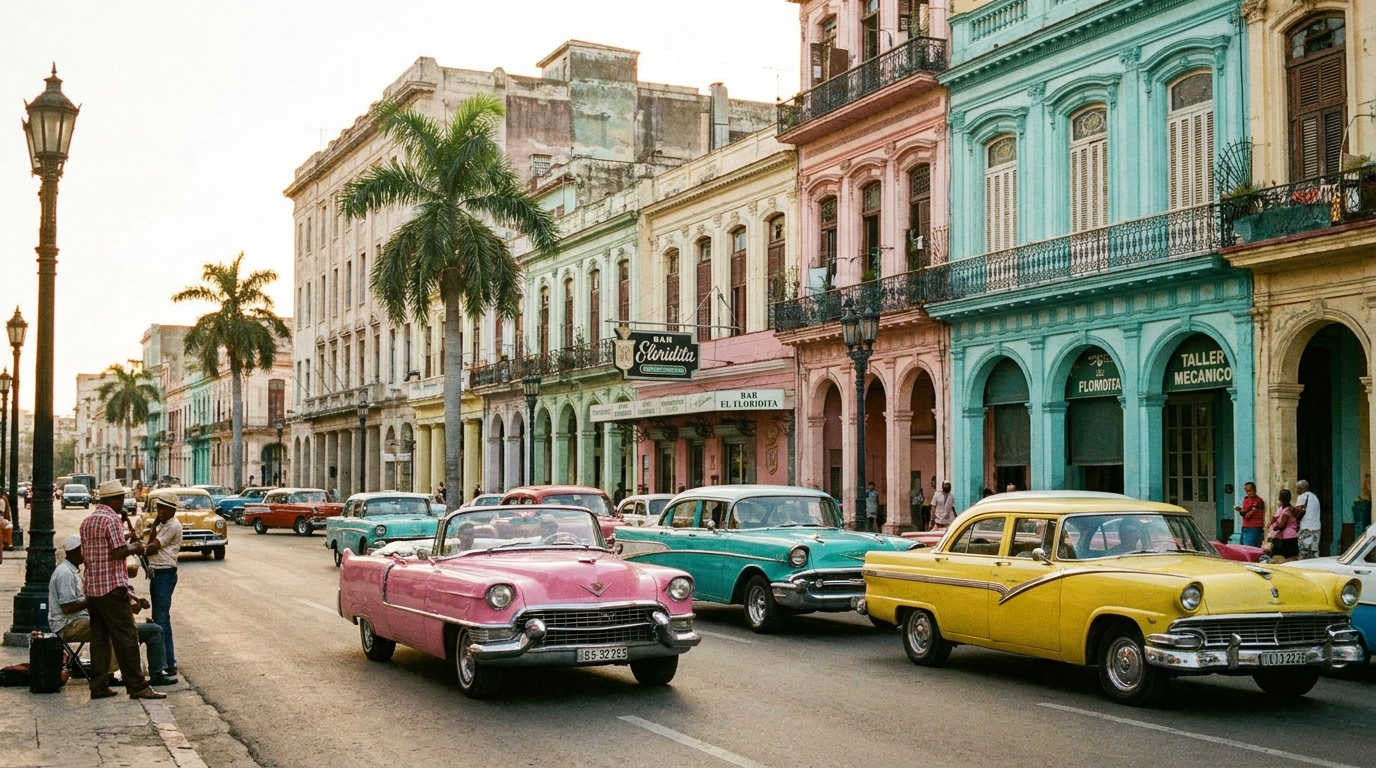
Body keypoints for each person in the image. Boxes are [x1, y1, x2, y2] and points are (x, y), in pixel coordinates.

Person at [48, 534, 177, 688]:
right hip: (67, 624)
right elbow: (67, 607)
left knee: (145, 629)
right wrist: (93, 600)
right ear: (74, 552)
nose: (87, 553)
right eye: (84, 550)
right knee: (109, 627)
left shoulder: (74, 571)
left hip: (79, 618)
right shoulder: (64, 573)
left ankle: (155, 673)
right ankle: (109, 675)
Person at [79, 480, 169, 700]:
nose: (122, 503)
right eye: (120, 498)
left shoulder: (88, 521)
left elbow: (99, 549)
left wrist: (126, 540)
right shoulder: (111, 520)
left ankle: (98, 685)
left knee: (100, 639)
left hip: (92, 588)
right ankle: (137, 685)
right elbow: (118, 552)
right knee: (127, 637)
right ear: (114, 499)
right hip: (111, 588)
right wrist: (136, 547)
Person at [145, 496, 182, 678]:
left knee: (161, 620)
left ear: (173, 510)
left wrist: (137, 549)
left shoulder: (173, 525)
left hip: (165, 573)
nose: (160, 512)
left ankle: (168, 662)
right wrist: (154, 524)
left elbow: (152, 547)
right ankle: (165, 661)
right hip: (157, 573)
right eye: (158, 509)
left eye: (164, 509)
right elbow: (152, 540)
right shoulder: (163, 524)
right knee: (159, 617)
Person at [1269, 489, 1300, 561]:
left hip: (1288, 536)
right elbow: (1275, 518)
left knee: (1289, 557)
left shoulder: (1288, 510)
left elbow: (1282, 525)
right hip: (1282, 536)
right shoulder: (1282, 509)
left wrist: (1273, 528)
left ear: (1280, 498)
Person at [1294, 479, 1321, 559]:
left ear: (1301, 488)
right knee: (1314, 551)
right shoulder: (1314, 497)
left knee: (1304, 552)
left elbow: (1299, 510)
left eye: (1298, 488)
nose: (1297, 490)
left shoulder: (1302, 497)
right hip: (1316, 528)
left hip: (1306, 528)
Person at [1234, 481, 1266, 548]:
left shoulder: (1258, 501)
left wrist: (1244, 512)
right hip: (1245, 527)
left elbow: (1247, 516)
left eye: (1250, 491)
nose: (1248, 493)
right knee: (1243, 548)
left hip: (1254, 528)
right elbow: (1244, 512)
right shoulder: (1246, 499)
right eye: (1247, 491)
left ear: (1255, 490)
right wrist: (1240, 510)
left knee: (1249, 548)